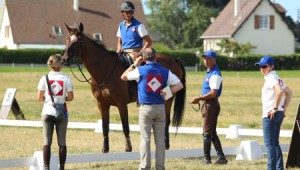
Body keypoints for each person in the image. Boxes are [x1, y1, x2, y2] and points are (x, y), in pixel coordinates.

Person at [121, 48, 183, 170]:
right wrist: (166, 92)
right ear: (156, 57)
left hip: (146, 108)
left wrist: (135, 64)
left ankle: (145, 167)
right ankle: (160, 167)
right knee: (160, 141)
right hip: (160, 108)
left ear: (143, 59)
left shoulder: (140, 70)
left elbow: (123, 77)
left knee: (145, 140)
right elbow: (179, 85)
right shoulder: (165, 71)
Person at [189, 50, 228, 165]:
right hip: (209, 104)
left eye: (208, 58)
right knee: (211, 132)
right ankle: (221, 157)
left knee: (207, 132)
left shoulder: (215, 74)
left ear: (215, 60)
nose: (206, 60)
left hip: (210, 104)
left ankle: (207, 158)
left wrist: (199, 98)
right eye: (204, 58)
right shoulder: (210, 72)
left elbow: (213, 93)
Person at [255, 56, 292, 170]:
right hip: (278, 113)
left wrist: (276, 107)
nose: (262, 68)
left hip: (270, 114)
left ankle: (271, 168)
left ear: (271, 67)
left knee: (269, 144)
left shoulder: (271, 77)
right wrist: (282, 108)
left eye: (264, 66)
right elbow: (289, 93)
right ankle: (279, 167)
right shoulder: (276, 77)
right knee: (275, 143)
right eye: (260, 66)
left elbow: (280, 91)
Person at [37, 54, 74, 170]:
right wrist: (62, 100)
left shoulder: (44, 78)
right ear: (59, 65)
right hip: (61, 112)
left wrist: (48, 100)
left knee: (47, 142)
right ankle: (62, 167)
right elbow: (71, 97)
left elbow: (39, 97)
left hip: (47, 111)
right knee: (62, 142)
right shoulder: (66, 78)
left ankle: (47, 167)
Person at [116, 1, 152, 66]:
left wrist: (140, 53)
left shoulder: (139, 26)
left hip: (135, 53)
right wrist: (118, 49)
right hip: (123, 53)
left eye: (131, 12)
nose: (129, 14)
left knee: (134, 71)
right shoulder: (121, 25)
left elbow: (149, 41)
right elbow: (119, 41)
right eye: (127, 12)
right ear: (122, 13)